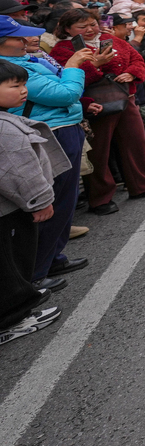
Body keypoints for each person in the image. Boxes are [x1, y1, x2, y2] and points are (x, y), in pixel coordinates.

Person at [0, 16, 92, 288]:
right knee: (49, 203)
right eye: (19, 38)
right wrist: (74, 66)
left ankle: (52, 257)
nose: (27, 41)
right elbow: (65, 94)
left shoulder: (29, 60)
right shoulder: (12, 68)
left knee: (65, 200)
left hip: (63, 127)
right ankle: (36, 271)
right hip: (50, 131)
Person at [51, 9, 145, 215]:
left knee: (135, 143)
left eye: (92, 24)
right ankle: (100, 198)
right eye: (82, 26)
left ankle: (141, 185)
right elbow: (67, 78)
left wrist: (131, 74)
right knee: (98, 152)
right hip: (95, 104)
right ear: (67, 29)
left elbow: (136, 59)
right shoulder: (63, 49)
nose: (89, 29)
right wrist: (95, 66)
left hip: (125, 99)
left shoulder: (109, 38)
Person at [0, 59, 66, 345]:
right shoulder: (4, 129)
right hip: (10, 211)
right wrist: (40, 201)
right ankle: (13, 317)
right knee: (12, 260)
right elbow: (19, 172)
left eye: (24, 84)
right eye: (15, 86)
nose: (23, 91)